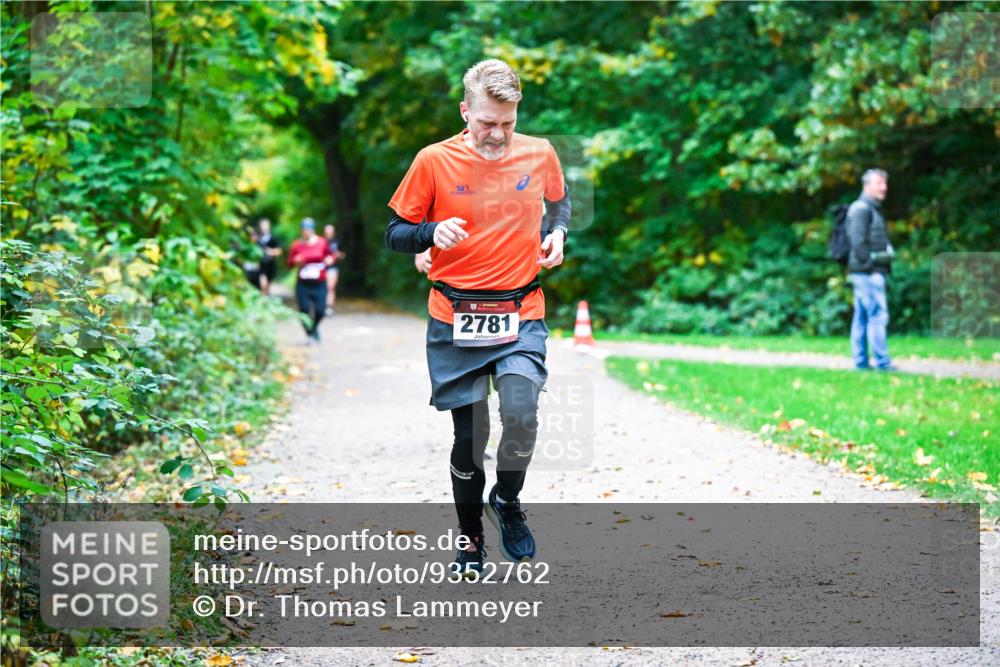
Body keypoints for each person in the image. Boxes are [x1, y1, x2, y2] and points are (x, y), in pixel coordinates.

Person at [384, 59, 570, 576]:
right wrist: (429, 233)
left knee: (522, 415)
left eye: (507, 123)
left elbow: (560, 204)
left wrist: (558, 234)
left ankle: (506, 500)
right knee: (469, 439)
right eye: (487, 122)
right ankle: (469, 540)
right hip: (453, 315)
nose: (497, 134)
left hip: (520, 310)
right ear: (466, 110)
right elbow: (395, 232)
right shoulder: (433, 161)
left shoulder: (540, 152)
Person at [846, 168, 896, 371]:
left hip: (865, 272)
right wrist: (869, 266)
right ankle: (882, 363)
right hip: (868, 273)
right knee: (877, 317)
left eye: (885, 183)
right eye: (879, 184)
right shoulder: (861, 209)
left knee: (862, 317)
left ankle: (861, 362)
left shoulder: (870, 208)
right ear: (867, 186)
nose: (884, 188)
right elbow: (857, 241)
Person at [287, 218, 334, 343]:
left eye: (308, 229)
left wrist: (329, 259)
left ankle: (314, 329)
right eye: (304, 230)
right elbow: (289, 263)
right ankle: (310, 333)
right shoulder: (297, 245)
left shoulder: (322, 242)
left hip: (319, 282)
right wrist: (295, 260)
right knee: (304, 309)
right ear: (301, 231)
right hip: (303, 283)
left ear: (312, 230)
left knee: (320, 310)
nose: (306, 232)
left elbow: (330, 255)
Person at [322, 224, 347, 314]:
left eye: (330, 232)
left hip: (332, 268)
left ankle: (329, 307)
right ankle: (321, 305)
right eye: (327, 232)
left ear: (333, 233)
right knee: (322, 287)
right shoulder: (320, 242)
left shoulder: (337, 242)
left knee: (330, 287)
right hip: (321, 268)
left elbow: (343, 255)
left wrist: (338, 255)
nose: (329, 233)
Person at [256, 218, 283, 296]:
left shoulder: (273, 239)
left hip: (271, 265)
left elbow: (279, 251)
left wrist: (270, 252)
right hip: (262, 266)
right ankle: (263, 299)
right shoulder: (258, 239)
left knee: (268, 286)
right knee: (263, 284)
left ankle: (266, 299)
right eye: (262, 225)